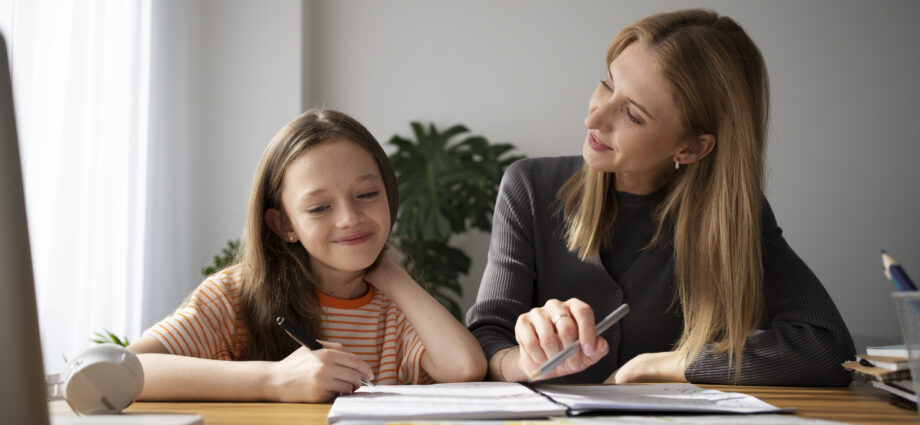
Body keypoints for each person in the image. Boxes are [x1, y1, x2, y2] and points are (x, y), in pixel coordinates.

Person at [466, 9, 855, 386]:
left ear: (691, 147)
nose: (594, 119)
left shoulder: (731, 218)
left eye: (633, 115)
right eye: (607, 84)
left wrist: (664, 365)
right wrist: (527, 361)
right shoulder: (529, 186)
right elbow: (486, 340)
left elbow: (827, 348)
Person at [129, 109, 486, 402]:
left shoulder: (398, 307)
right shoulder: (233, 295)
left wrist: (393, 274)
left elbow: (465, 368)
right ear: (284, 224)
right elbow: (124, 368)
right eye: (319, 208)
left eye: (367, 194)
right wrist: (273, 379)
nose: (349, 219)